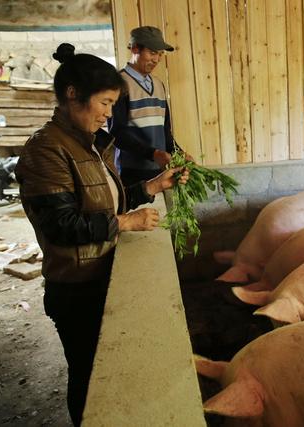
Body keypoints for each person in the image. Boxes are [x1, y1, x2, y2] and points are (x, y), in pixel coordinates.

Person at [14, 43, 189, 426]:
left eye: (114, 104)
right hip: (76, 287)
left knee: (107, 370)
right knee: (90, 379)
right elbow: (61, 226)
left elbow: (104, 204)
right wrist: (125, 224)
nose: (110, 113)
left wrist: (155, 186)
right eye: (105, 103)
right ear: (73, 95)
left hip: (99, 275)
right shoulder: (45, 152)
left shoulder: (89, 145)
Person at [109, 26, 190, 186]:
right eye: (152, 53)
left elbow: (165, 133)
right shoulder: (119, 84)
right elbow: (116, 134)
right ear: (134, 49)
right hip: (131, 174)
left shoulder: (159, 85)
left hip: (162, 172)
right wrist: (153, 154)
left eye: (160, 54)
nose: (157, 59)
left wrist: (179, 153)